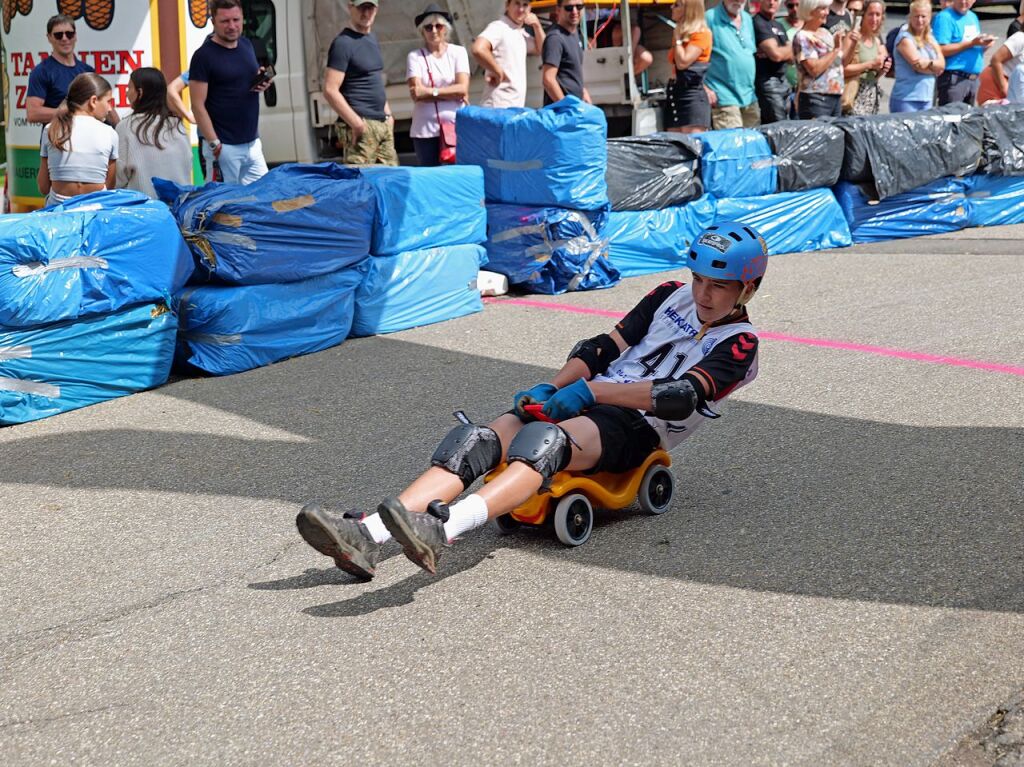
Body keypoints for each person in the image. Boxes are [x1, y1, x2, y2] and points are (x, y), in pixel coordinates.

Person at [295, 223, 769, 580]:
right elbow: (604, 347)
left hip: (638, 426)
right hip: (592, 396)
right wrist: (554, 386)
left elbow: (677, 397)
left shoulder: (741, 345)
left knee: (545, 440)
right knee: (484, 435)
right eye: (700, 280)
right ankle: (370, 534)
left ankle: (444, 529)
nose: (703, 293)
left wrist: (592, 392)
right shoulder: (670, 295)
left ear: (746, 289)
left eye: (719, 286)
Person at [189, 0, 271, 185]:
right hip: (223, 146)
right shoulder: (203, 56)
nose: (232, 26)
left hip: (252, 143)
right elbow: (197, 104)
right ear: (213, 22)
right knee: (223, 206)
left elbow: (243, 81)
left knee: (263, 200)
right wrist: (214, 143)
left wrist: (261, 82)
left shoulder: (246, 45)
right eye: (225, 21)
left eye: (236, 20)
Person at [324, 0, 398, 165]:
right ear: (350, 8)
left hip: (382, 123)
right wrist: (357, 124)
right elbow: (330, 89)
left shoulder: (372, 38)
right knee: (360, 183)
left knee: (391, 181)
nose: (366, 13)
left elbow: (374, 77)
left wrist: (388, 116)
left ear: (376, 9)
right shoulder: (343, 43)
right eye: (361, 8)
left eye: (370, 8)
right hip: (362, 125)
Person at [37, 73, 117, 207]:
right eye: (108, 101)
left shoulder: (51, 129)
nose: (110, 108)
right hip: (95, 214)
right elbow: (110, 186)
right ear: (93, 101)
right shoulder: (110, 133)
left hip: (58, 214)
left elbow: (43, 187)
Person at [406, 4, 470, 167]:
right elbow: (417, 94)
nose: (434, 31)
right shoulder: (414, 56)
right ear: (422, 31)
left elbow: (462, 88)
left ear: (446, 29)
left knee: (456, 176)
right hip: (425, 131)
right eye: (428, 27)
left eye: (438, 26)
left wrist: (430, 92)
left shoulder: (458, 52)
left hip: (456, 128)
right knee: (429, 177)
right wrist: (451, 92)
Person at [115, 68, 192, 199]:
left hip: (143, 210)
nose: (127, 93)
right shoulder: (177, 124)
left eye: (129, 88)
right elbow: (187, 164)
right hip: (180, 207)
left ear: (140, 92)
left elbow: (119, 178)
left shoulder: (126, 126)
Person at [25, 14, 114, 128]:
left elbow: (105, 104)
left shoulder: (87, 70)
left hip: (89, 137)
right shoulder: (41, 71)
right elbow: (33, 114)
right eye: (58, 35)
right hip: (58, 140)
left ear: (75, 36)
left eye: (69, 34)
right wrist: (74, 111)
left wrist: (119, 128)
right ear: (49, 38)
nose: (64, 38)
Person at [473, 0, 545, 108]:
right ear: (507, 5)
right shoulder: (499, 27)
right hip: (498, 105)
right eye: (517, 3)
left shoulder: (520, 33)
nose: (521, 9)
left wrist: (537, 25)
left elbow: (542, 50)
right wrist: (498, 71)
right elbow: (478, 48)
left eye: (525, 5)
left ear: (530, 8)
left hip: (513, 106)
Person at [794, 0, 855, 119]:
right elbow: (814, 69)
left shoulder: (825, 33)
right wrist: (836, 50)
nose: (827, 12)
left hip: (835, 97)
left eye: (827, 8)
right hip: (816, 98)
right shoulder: (803, 37)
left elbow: (841, 63)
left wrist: (852, 44)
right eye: (822, 9)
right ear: (810, 11)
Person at [704, 0, 760, 129]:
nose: (738, 1)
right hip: (723, 96)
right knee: (732, 145)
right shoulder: (709, 18)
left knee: (753, 144)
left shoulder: (747, 18)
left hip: (749, 96)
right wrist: (704, 88)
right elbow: (695, 58)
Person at [931, 0, 995, 106]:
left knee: (968, 121)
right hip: (954, 79)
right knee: (952, 119)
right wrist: (971, 43)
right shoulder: (945, 17)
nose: (964, 2)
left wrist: (984, 46)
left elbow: (972, 47)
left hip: (973, 79)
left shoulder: (972, 17)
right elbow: (940, 50)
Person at [664, 0, 713, 133]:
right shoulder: (681, 33)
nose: (671, 7)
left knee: (693, 145)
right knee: (675, 148)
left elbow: (682, 62)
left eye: (677, 5)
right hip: (675, 92)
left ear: (689, 9)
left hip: (691, 95)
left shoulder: (702, 34)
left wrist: (678, 40)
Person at [890, 0, 944, 112]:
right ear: (910, 17)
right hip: (907, 99)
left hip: (926, 97)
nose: (920, 20)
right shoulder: (905, 38)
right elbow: (918, 67)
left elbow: (942, 64)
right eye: (916, 16)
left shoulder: (930, 39)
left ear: (929, 18)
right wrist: (935, 67)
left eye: (923, 16)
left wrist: (929, 64)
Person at [843, 0, 891, 114]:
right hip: (853, 96)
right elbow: (842, 70)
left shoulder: (877, 41)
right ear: (863, 15)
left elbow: (873, 76)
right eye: (870, 14)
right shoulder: (853, 37)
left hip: (870, 98)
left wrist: (881, 70)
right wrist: (870, 64)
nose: (874, 19)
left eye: (878, 15)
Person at [753, 0, 795, 124]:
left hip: (784, 80)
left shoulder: (778, 25)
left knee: (789, 124)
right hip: (767, 81)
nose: (772, 3)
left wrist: (781, 51)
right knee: (779, 126)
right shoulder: (757, 22)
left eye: (776, 0)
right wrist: (784, 51)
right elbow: (776, 55)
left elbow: (793, 57)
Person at [542, 0, 591, 104]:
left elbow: (570, 74)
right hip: (561, 115)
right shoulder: (555, 38)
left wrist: (582, 91)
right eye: (569, 8)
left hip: (574, 109)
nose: (574, 11)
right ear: (558, 10)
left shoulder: (574, 35)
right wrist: (565, 106)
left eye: (579, 6)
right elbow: (548, 79)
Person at [976, 31, 1024, 104]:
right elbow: (996, 60)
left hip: (1014, 83)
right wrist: (1004, 88)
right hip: (996, 80)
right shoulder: (1020, 38)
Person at [779, 0, 804, 100]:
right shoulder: (778, 24)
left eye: (798, 5)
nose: (795, 9)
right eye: (791, 6)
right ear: (785, 5)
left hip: (804, 87)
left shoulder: (810, 24)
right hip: (784, 86)